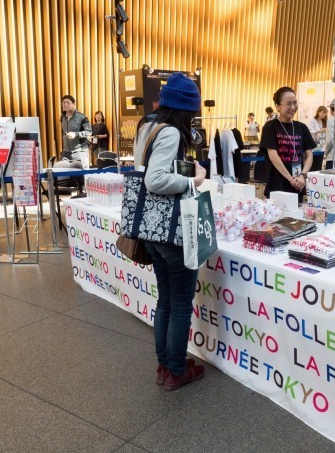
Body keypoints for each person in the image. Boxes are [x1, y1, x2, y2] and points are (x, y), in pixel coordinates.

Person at [132, 72, 207, 391]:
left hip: (149, 227)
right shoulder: (172, 133)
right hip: (172, 231)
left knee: (165, 299)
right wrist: (194, 180)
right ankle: (176, 370)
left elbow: (147, 172)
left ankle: (165, 363)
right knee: (179, 303)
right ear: (185, 109)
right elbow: (156, 179)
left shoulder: (147, 125)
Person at [260, 86, 316, 203]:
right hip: (277, 185)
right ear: (278, 106)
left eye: (295, 103)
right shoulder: (270, 127)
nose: (293, 107)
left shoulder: (302, 127)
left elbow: (309, 155)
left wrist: (302, 176)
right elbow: (273, 156)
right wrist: (290, 178)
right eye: (288, 104)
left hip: (297, 184)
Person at [60, 95, 92, 169]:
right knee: (64, 176)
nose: (65, 104)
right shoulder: (62, 117)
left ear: (74, 104)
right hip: (66, 152)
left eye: (68, 102)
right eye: (63, 103)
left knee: (81, 177)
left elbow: (89, 132)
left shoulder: (82, 117)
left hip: (79, 152)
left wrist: (76, 134)